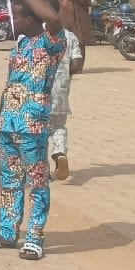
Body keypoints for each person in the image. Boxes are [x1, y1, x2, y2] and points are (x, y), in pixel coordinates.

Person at [0, 0, 66, 260]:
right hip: (9, 126)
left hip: (33, 126)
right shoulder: (22, 45)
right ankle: (7, 233)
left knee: (37, 183)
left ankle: (35, 237)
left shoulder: (52, 42)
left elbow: (53, 16)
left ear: (32, 17)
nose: (13, 20)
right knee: (9, 182)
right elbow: (10, 86)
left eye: (17, 15)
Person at [48, 11, 82, 182]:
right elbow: (77, 64)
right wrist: (64, 74)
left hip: (38, 92)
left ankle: (40, 168)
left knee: (38, 131)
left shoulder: (36, 35)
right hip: (61, 92)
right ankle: (60, 153)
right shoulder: (70, 37)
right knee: (59, 126)